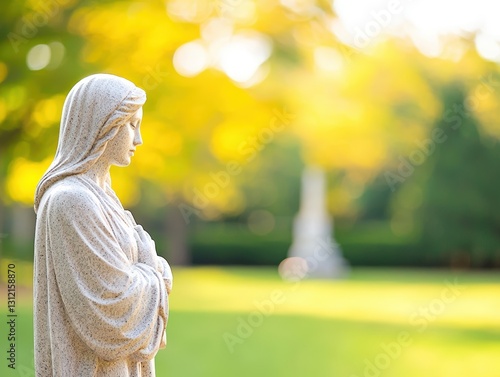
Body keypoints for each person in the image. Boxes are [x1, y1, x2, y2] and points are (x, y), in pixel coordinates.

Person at [33, 74, 173, 377]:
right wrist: (156, 272)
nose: (139, 139)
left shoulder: (102, 196)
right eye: (131, 125)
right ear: (101, 124)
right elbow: (110, 312)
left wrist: (149, 271)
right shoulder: (72, 200)